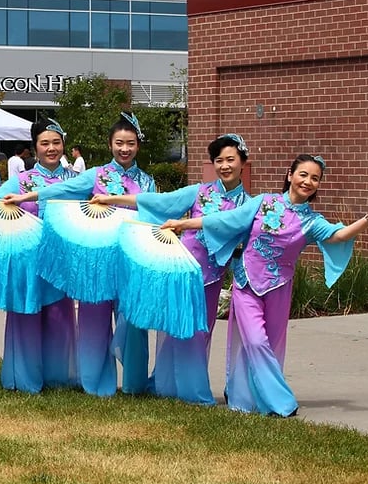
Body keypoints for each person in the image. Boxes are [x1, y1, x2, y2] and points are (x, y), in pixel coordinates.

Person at [161, 155, 368, 417]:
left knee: (271, 344)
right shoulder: (263, 203)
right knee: (256, 340)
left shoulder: (312, 222)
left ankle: (248, 396)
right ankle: (281, 402)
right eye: (303, 174)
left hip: (279, 288)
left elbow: (338, 235)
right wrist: (183, 223)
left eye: (315, 178)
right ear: (290, 175)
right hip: (247, 284)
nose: (307, 181)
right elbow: (225, 220)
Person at [90, 133, 251, 404]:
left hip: (211, 278)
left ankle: (193, 389)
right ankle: (166, 385)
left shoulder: (248, 205)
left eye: (230, 160)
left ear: (243, 162)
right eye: (219, 160)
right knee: (172, 330)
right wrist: (109, 199)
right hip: (181, 270)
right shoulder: (199, 192)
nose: (224, 166)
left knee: (199, 332)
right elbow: (158, 202)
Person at [4, 112, 155, 397]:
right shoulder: (96, 175)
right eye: (119, 142)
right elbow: (62, 189)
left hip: (131, 259)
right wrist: (27, 196)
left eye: (130, 143)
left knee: (133, 321)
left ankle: (134, 385)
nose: (125, 149)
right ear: (110, 144)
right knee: (93, 325)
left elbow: (154, 216)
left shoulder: (147, 183)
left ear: (138, 146)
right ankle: (95, 384)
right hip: (95, 262)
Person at [0, 118, 78, 394]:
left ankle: (58, 377)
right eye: (45, 143)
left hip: (62, 261)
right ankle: (24, 379)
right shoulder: (22, 180)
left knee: (59, 318)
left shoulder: (75, 180)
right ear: (35, 147)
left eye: (56, 142)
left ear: (64, 144)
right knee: (26, 317)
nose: (51, 148)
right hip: (28, 259)